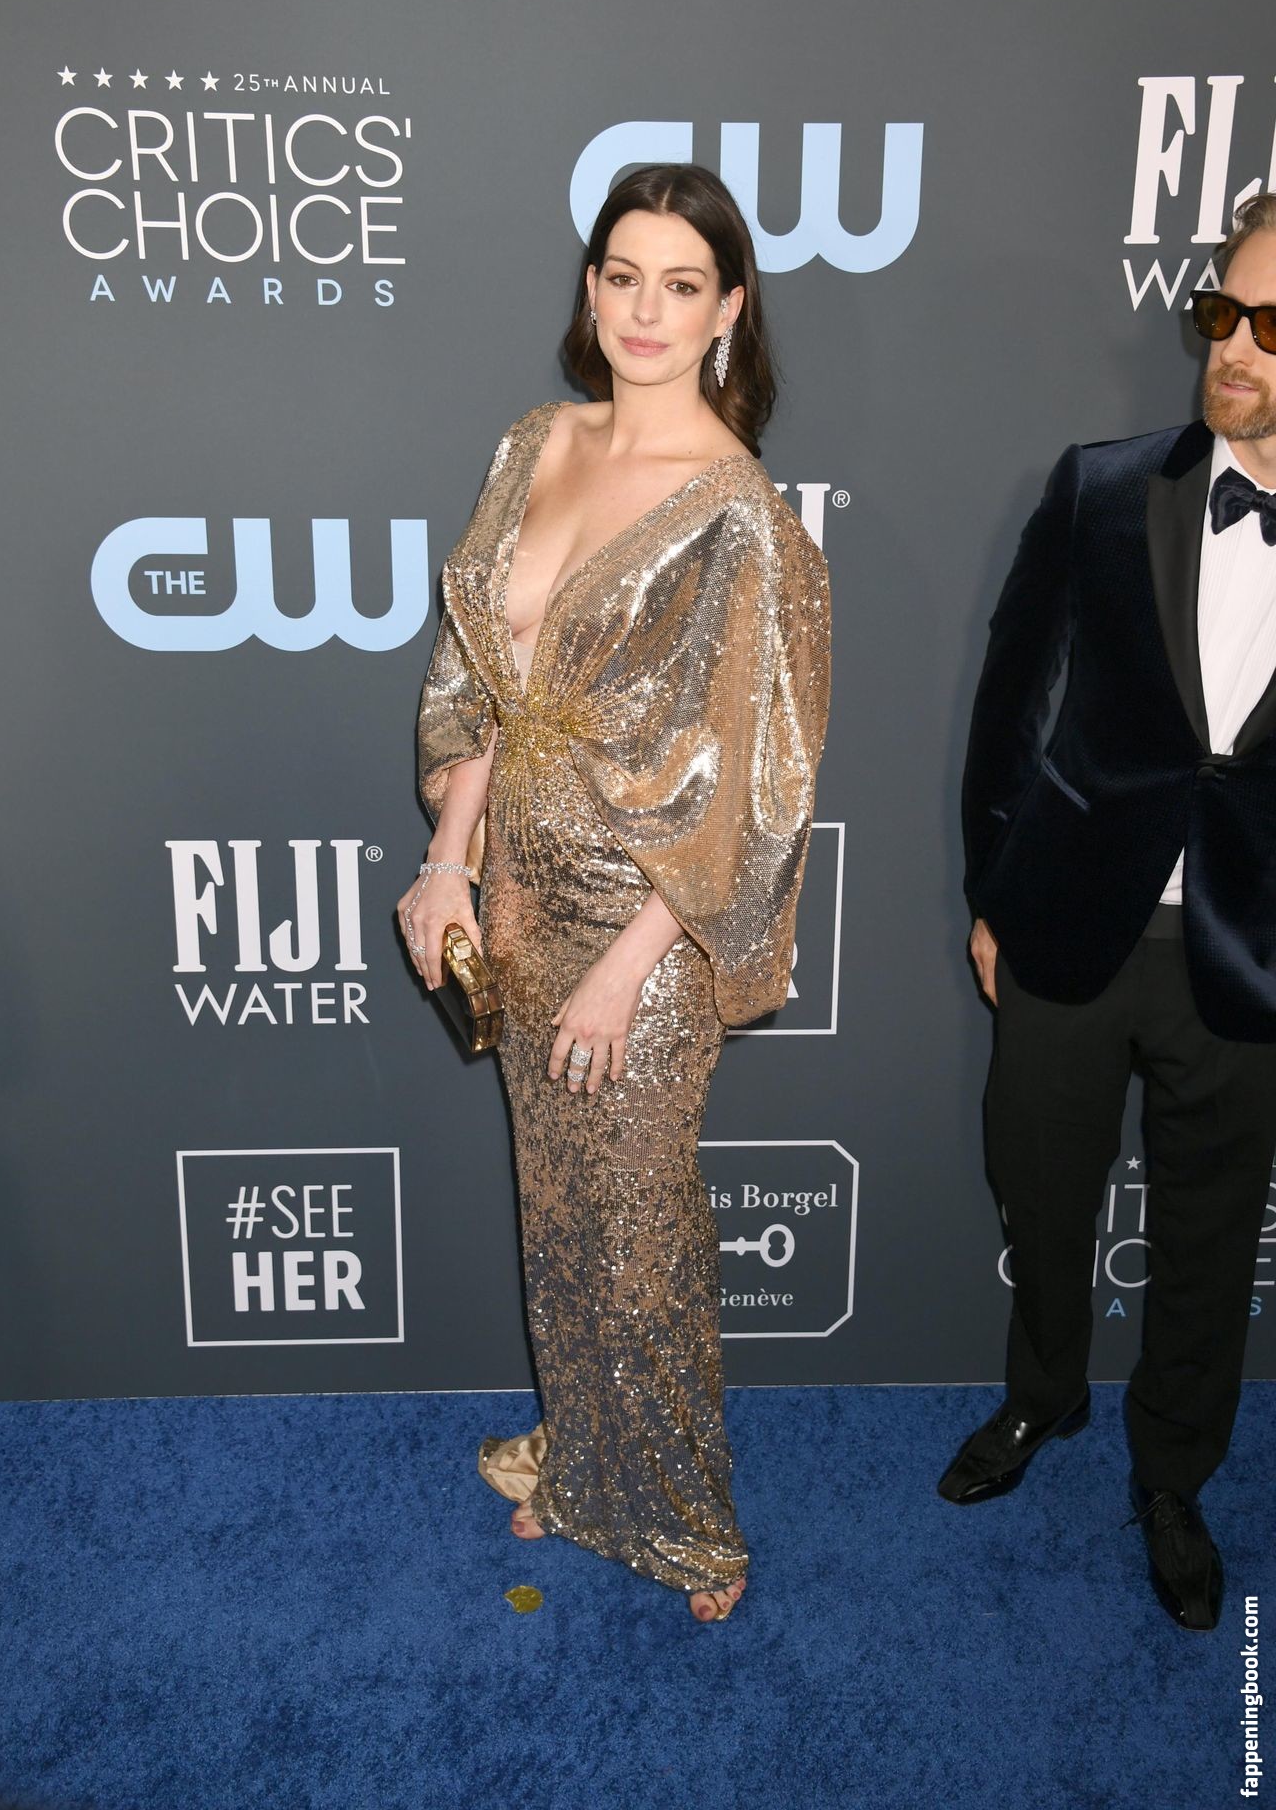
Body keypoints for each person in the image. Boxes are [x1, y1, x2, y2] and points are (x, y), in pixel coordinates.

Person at [398, 164, 831, 1623]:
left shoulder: (741, 516)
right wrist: (449, 861)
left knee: (638, 1233)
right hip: (515, 894)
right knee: (559, 1212)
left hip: (644, 924)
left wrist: (633, 961)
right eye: (625, 277)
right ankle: (585, 1459)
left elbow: (757, 787)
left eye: (682, 285)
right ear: (591, 291)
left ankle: (693, 1527)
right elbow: (484, 681)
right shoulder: (537, 442)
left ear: (729, 310)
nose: (648, 311)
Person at [939, 193, 1276, 1632]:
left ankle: (1174, 1476)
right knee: (1041, 1188)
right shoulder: (1102, 485)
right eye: (1223, 313)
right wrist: (994, 894)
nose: (1234, 349)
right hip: (1073, 921)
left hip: (1250, 951)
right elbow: (1013, 703)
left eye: (1273, 327)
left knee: (1210, 1237)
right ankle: (1044, 1394)